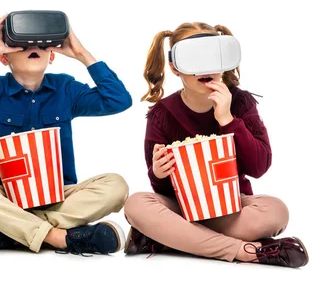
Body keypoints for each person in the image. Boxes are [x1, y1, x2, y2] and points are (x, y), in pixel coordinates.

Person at [0, 13, 131, 255]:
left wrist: (81, 53)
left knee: (116, 186)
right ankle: (58, 237)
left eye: (41, 44)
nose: (33, 48)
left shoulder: (66, 88)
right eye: (23, 44)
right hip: (3, 193)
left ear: (52, 55)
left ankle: (9, 231)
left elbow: (118, 100)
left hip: (59, 194)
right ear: (4, 57)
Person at [123, 22, 308, 268]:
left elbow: (259, 167)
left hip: (232, 203)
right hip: (182, 204)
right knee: (136, 204)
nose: (205, 69)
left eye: (212, 57)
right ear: (175, 68)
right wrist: (158, 172)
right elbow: (160, 188)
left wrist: (227, 120)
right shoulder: (162, 113)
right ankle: (246, 251)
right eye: (193, 59)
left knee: (276, 211)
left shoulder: (241, 103)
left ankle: (168, 238)